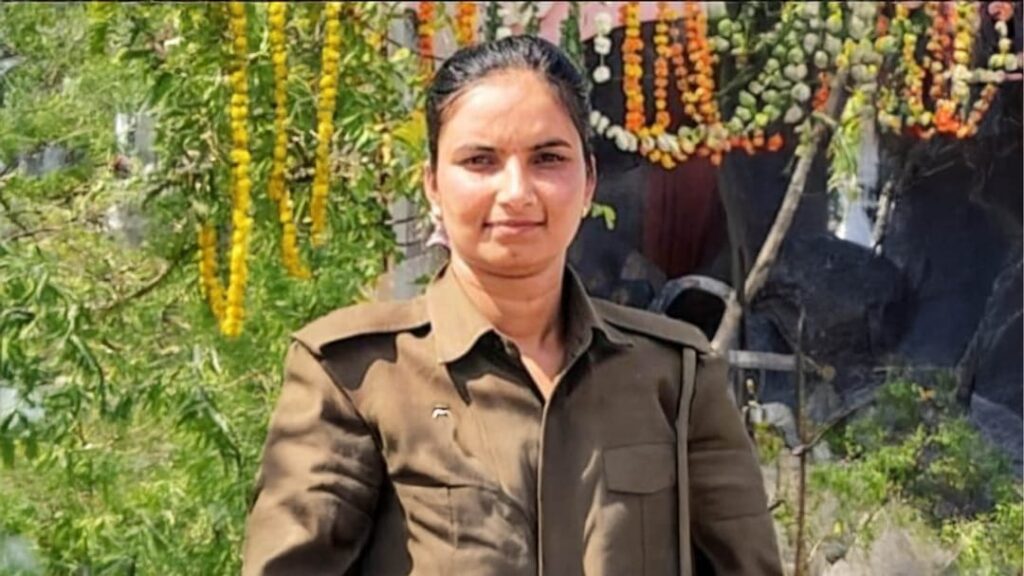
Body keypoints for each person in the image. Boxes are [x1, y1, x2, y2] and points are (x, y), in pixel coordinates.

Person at [242, 35, 782, 576]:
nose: (517, 191)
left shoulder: (676, 376)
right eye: (480, 161)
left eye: (548, 159)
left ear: (589, 182)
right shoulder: (357, 375)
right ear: (433, 185)